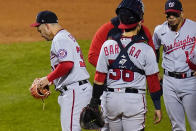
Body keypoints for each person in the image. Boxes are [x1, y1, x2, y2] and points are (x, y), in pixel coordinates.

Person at [88, 0, 162, 130]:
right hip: (134, 102)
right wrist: (157, 106)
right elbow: (153, 81)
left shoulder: (107, 45)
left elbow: (99, 78)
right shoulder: (146, 49)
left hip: (111, 101)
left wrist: (94, 101)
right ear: (139, 21)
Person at [31, 10, 92, 131]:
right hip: (79, 89)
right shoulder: (66, 36)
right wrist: (50, 82)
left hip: (74, 92)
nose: (41, 34)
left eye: (40, 30)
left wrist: (47, 78)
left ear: (47, 25)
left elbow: (67, 64)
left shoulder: (60, 38)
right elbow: (66, 66)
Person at [152, 0, 196, 130]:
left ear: (182, 13)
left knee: (194, 122)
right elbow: (154, 49)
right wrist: (155, 70)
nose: (171, 18)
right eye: (168, 14)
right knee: (176, 125)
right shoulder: (160, 30)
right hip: (169, 82)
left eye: (174, 14)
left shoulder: (194, 28)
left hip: (190, 81)